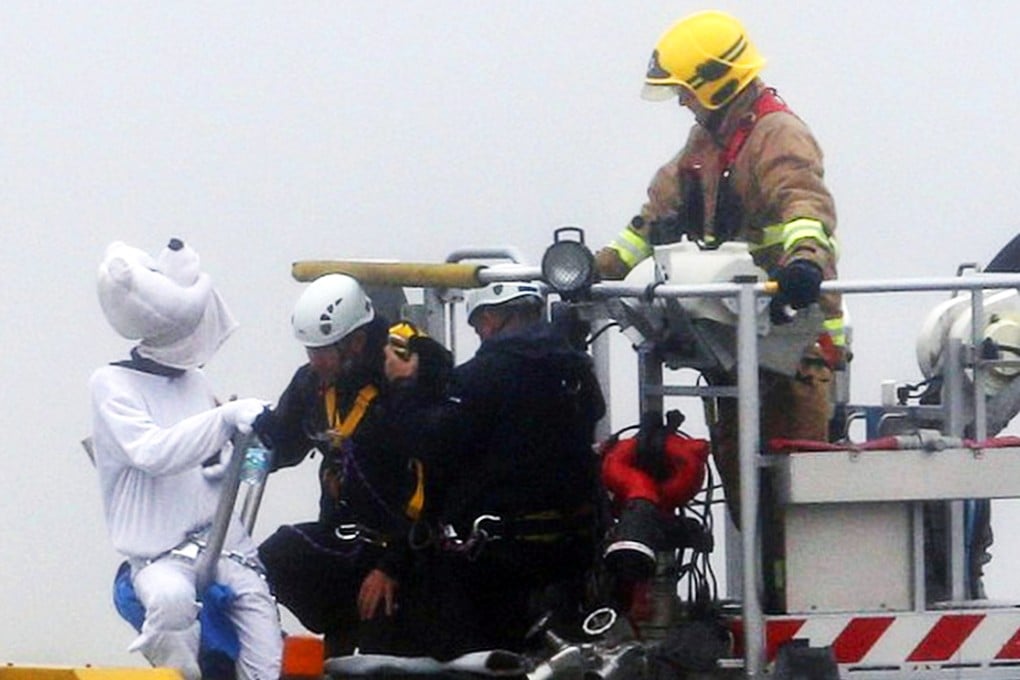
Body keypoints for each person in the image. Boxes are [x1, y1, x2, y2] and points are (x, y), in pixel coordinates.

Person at [595, 10, 845, 526]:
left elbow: (804, 205)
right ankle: (763, 592)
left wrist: (803, 263)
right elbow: (655, 216)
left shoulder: (778, 134)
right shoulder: (707, 140)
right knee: (745, 495)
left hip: (792, 346)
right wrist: (598, 271)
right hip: (738, 345)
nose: (682, 101)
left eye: (686, 89)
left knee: (790, 500)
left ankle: (782, 596)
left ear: (717, 81)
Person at [89, 238, 282, 680]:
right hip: (159, 554)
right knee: (171, 604)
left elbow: (217, 459)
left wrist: (251, 442)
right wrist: (225, 418)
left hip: (225, 545)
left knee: (263, 631)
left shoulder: (195, 383)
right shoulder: (112, 385)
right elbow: (153, 451)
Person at [386, 282, 606, 658]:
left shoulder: (482, 376)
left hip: (500, 562)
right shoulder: (576, 371)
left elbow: (433, 443)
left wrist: (406, 387)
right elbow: (592, 415)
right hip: (573, 553)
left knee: (471, 656)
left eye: (478, 327)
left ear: (490, 318)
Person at [254, 274, 429, 657]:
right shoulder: (313, 384)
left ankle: (361, 634)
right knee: (267, 561)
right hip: (347, 540)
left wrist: (392, 566)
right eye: (309, 351)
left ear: (356, 342)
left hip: (406, 553)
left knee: (381, 657)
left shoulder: (402, 382)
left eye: (322, 351)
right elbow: (281, 444)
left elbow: (434, 483)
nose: (314, 361)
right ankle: (268, 653)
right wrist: (236, 438)